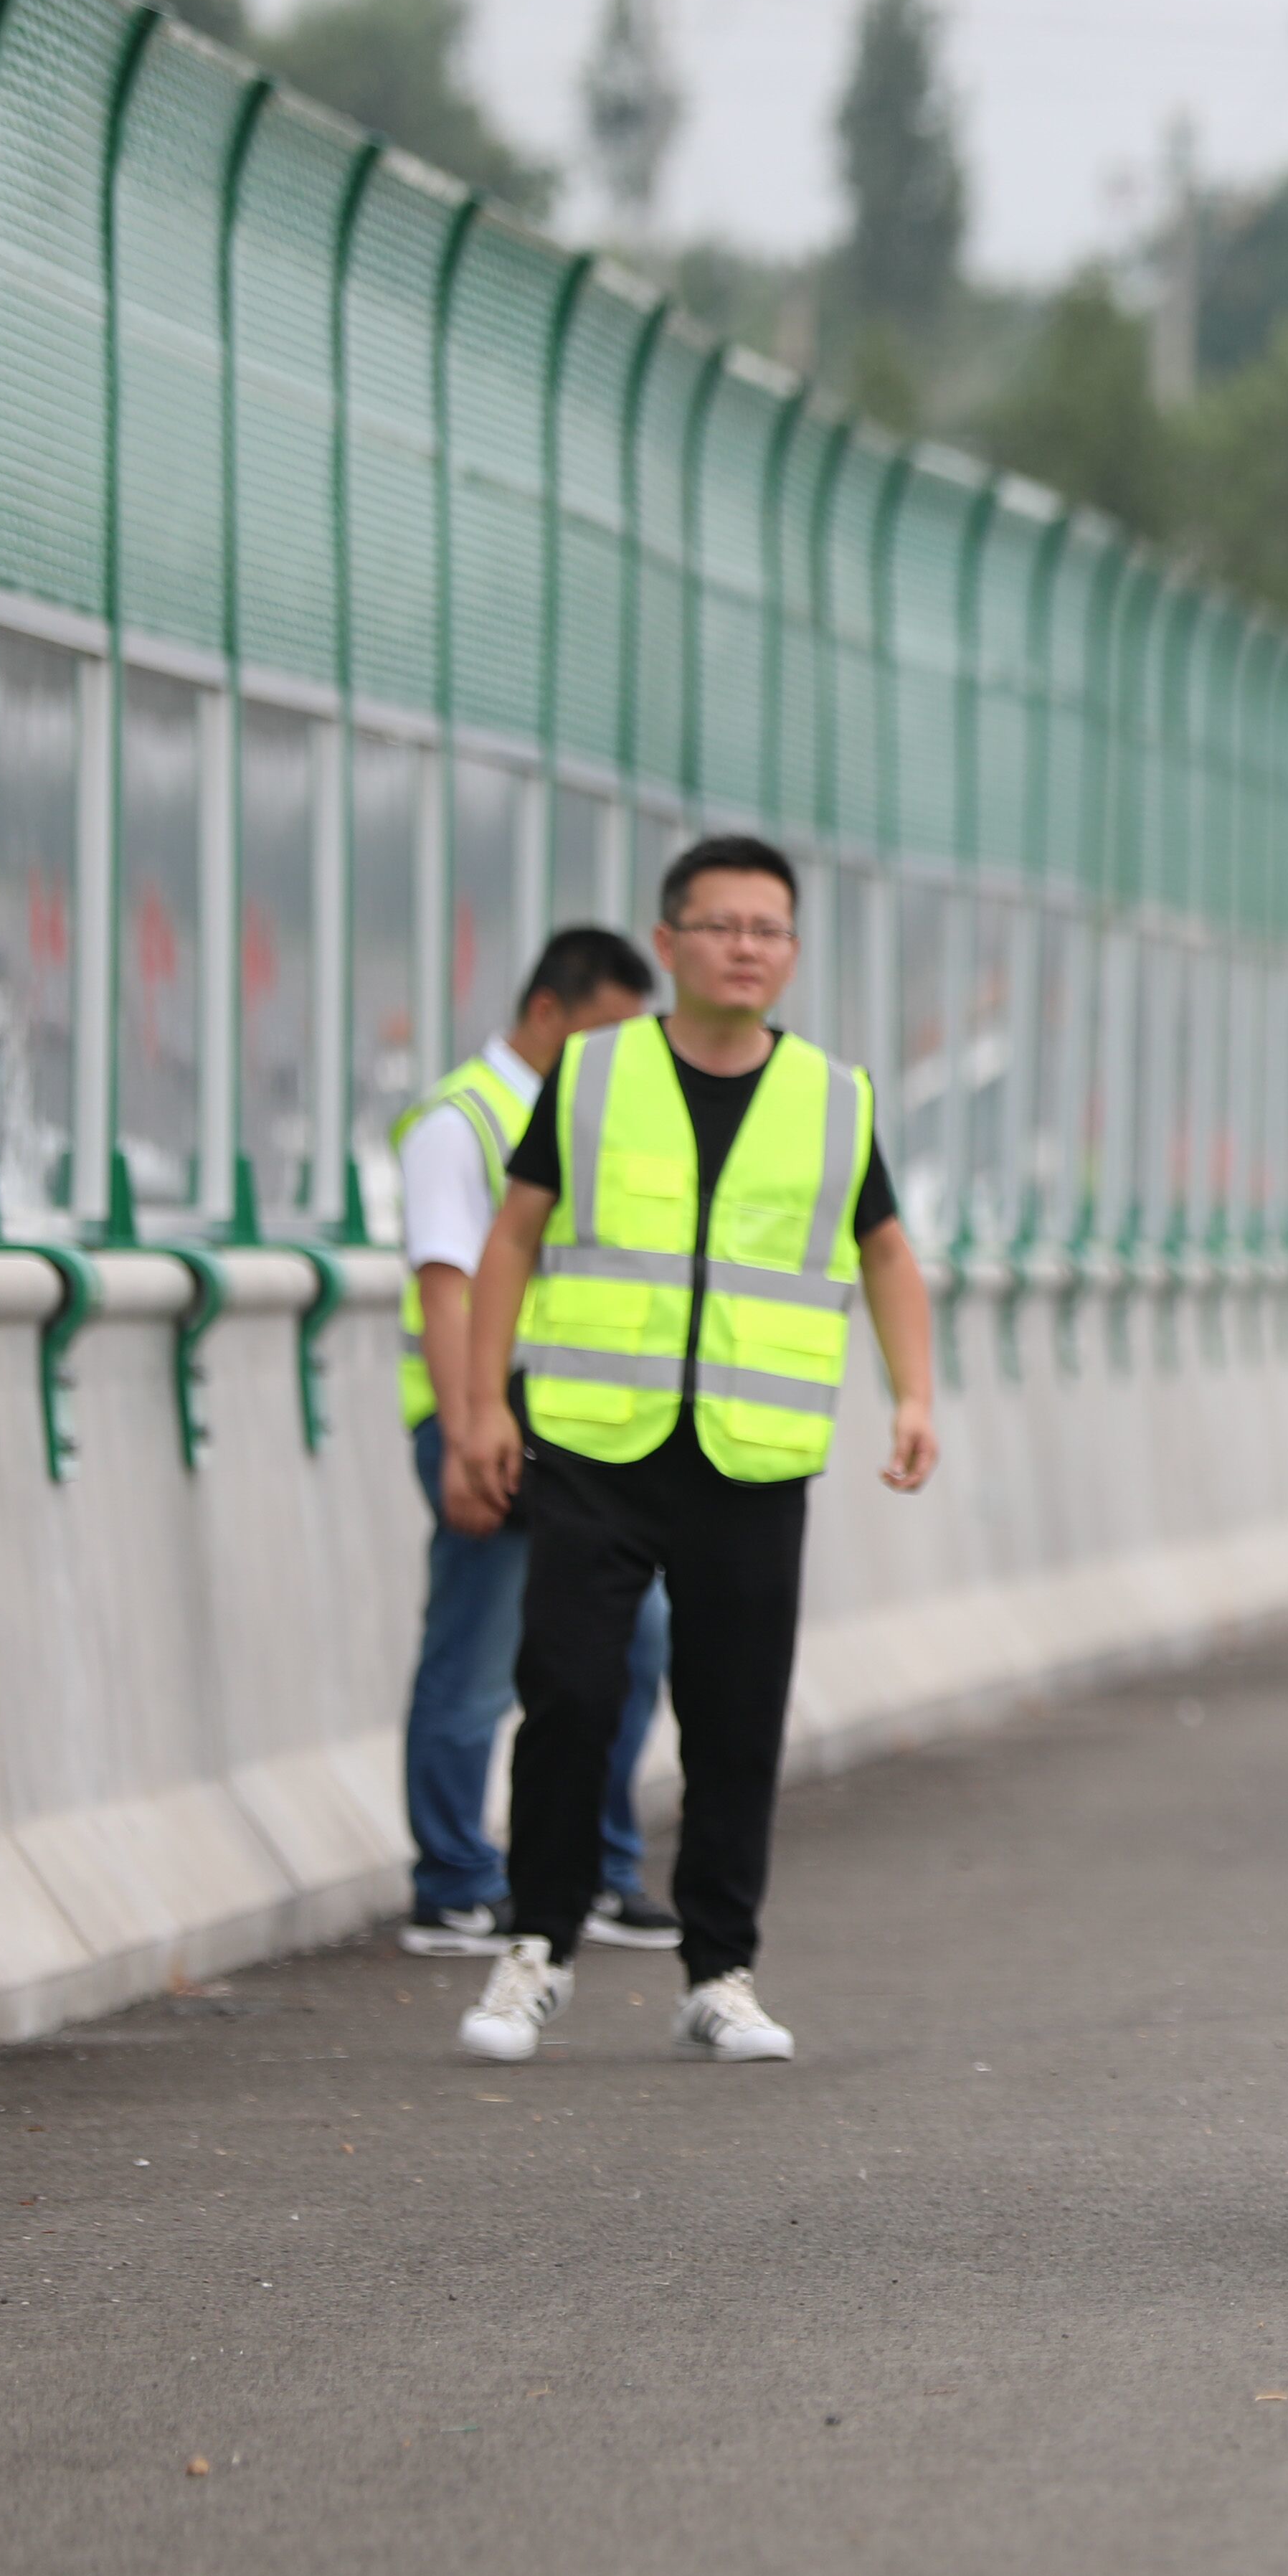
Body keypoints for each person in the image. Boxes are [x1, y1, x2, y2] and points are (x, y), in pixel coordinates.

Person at [435, 836, 941, 2068]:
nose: (746, 948)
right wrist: (482, 1408)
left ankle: (719, 1969)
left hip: (753, 1455)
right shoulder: (598, 1075)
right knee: (567, 1690)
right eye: (720, 927)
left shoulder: (835, 1097)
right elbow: (513, 1237)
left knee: (734, 1719)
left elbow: (883, 1249)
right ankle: (537, 1947)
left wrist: (913, 1392)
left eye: (768, 930)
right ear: (668, 945)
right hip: (598, 1444)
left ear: (793, 952)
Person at [390, 925, 680, 1959]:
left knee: (633, 1641)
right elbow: (446, 1283)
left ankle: (597, 1868)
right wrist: (472, 1429)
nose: (622, 1052)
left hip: (580, 1431)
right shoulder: (461, 1120)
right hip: (488, 1416)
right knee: (475, 1653)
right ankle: (456, 1881)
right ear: (549, 1011)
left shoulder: (595, 1116)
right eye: (606, 1030)